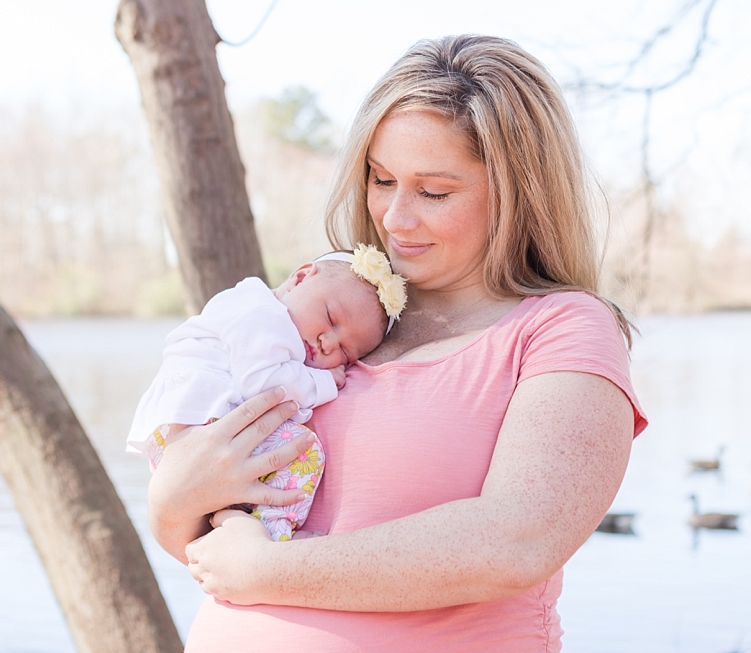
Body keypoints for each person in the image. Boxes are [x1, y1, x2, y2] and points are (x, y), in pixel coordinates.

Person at [147, 34, 648, 652]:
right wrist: (170, 503)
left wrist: (269, 572)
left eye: (434, 192)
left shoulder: (560, 329)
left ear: (519, 193)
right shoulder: (323, 319)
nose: (395, 218)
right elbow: (209, 535)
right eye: (381, 180)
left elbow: (517, 542)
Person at [127, 245, 406, 541]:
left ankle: (235, 525)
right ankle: (275, 532)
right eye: (330, 317)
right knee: (304, 449)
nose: (328, 342)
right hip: (196, 421)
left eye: (345, 351)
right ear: (301, 278)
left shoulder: (255, 308)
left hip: (188, 428)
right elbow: (264, 385)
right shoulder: (263, 314)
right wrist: (323, 381)